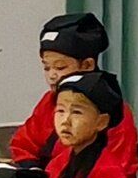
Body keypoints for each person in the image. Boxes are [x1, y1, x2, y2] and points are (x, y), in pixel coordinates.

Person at [8, 12, 103, 168]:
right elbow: (24, 142)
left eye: (60, 67)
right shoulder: (49, 101)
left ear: (87, 65)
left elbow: (116, 169)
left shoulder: (113, 111)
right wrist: (30, 168)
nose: (52, 75)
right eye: (47, 68)